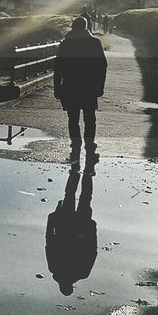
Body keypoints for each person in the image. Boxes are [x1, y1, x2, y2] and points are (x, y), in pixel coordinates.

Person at [53, 15, 107, 164]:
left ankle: (75, 144)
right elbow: (102, 66)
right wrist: (100, 86)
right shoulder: (95, 43)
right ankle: (90, 145)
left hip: (70, 87)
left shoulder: (66, 43)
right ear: (86, 27)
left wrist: (57, 88)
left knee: (73, 119)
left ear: (73, 27)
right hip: (89, 87)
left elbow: (58, 68)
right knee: (90, 119)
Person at [45, 167, 97, 295]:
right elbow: (49, 242)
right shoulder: (54, 268)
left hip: (82, 229)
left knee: (85, 197)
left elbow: (92, 251)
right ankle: (75, 173)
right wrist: (51, 221)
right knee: (70, 195)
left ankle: (87, 174)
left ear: (71, 286)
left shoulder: (82, 273)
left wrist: (92, 229)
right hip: (65, 227)